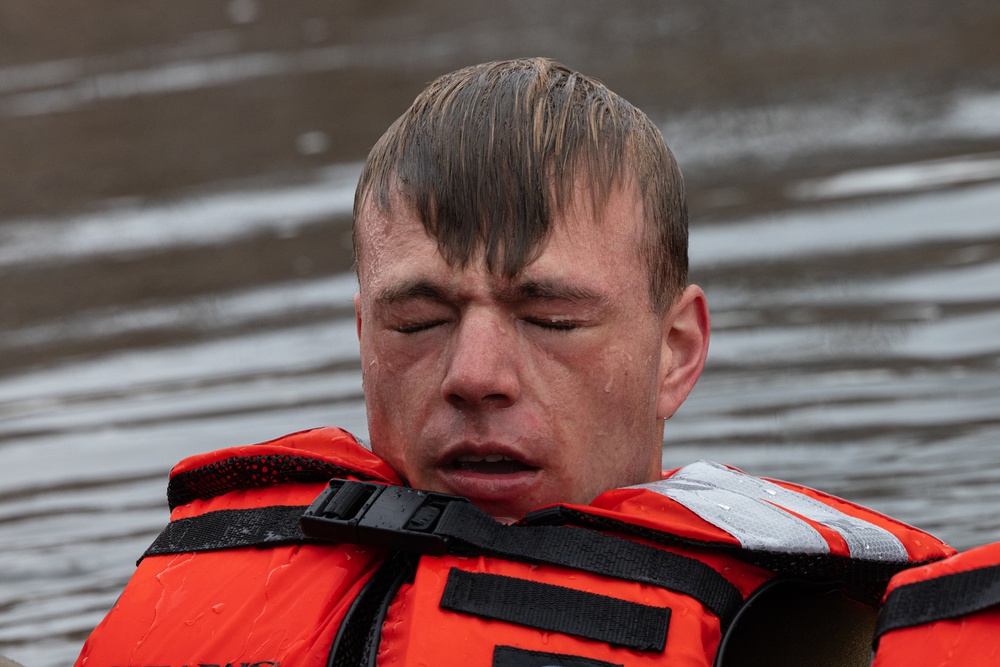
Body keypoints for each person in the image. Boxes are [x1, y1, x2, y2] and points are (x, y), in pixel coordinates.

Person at [74, 58, 954, 667]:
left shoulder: (815, 628)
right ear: (363, 336)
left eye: (552, 318)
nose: (475, 373)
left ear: (675, 352)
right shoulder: (204, 590)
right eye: (419, 320)